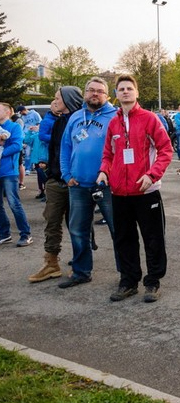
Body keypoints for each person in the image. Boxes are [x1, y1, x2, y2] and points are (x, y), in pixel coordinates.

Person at [97, 75, 173, 303]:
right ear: (116, 94)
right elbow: (108, 154)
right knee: (124, 239)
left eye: (130, 88)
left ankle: (153, 282)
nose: (126, 92)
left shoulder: (150, 119)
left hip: (146, 191)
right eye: (121, 89)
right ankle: (128, 281)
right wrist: (104, 171)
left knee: (153, 239)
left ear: (137, 93)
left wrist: (152, 175)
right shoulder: (113, 123)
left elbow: (166, 150)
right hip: (119, 193)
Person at [58, 77, 118, 288]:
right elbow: (65, 148)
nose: (95, 94)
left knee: (117, 230)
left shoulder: (116, 116)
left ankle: (127, 275)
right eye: (90, 90)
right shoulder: (75, 117)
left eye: (99, 91)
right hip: (78, 184)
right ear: (85, 93)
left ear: (107, 95)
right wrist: (66, 174)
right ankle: (81, 271)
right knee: (78, 230)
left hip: (107, 185)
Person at [28, 87, 83, 282]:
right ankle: (51, 263)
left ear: (68, 100)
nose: (55, 100)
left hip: (77, 183)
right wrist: (50, 171)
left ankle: (81, 265)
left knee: (77, 225)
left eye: (58, 97)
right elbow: (54, 148)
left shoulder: (81, 121)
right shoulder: (58, 121)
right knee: (51, 222)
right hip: (55, 180)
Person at [0, 102, 32, 247]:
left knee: (14, 203)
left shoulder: (14, 127)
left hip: (9, 171)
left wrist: (2, 153)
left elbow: (17, 146)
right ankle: (4, 233)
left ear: (7, 112)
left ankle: (26, 234)